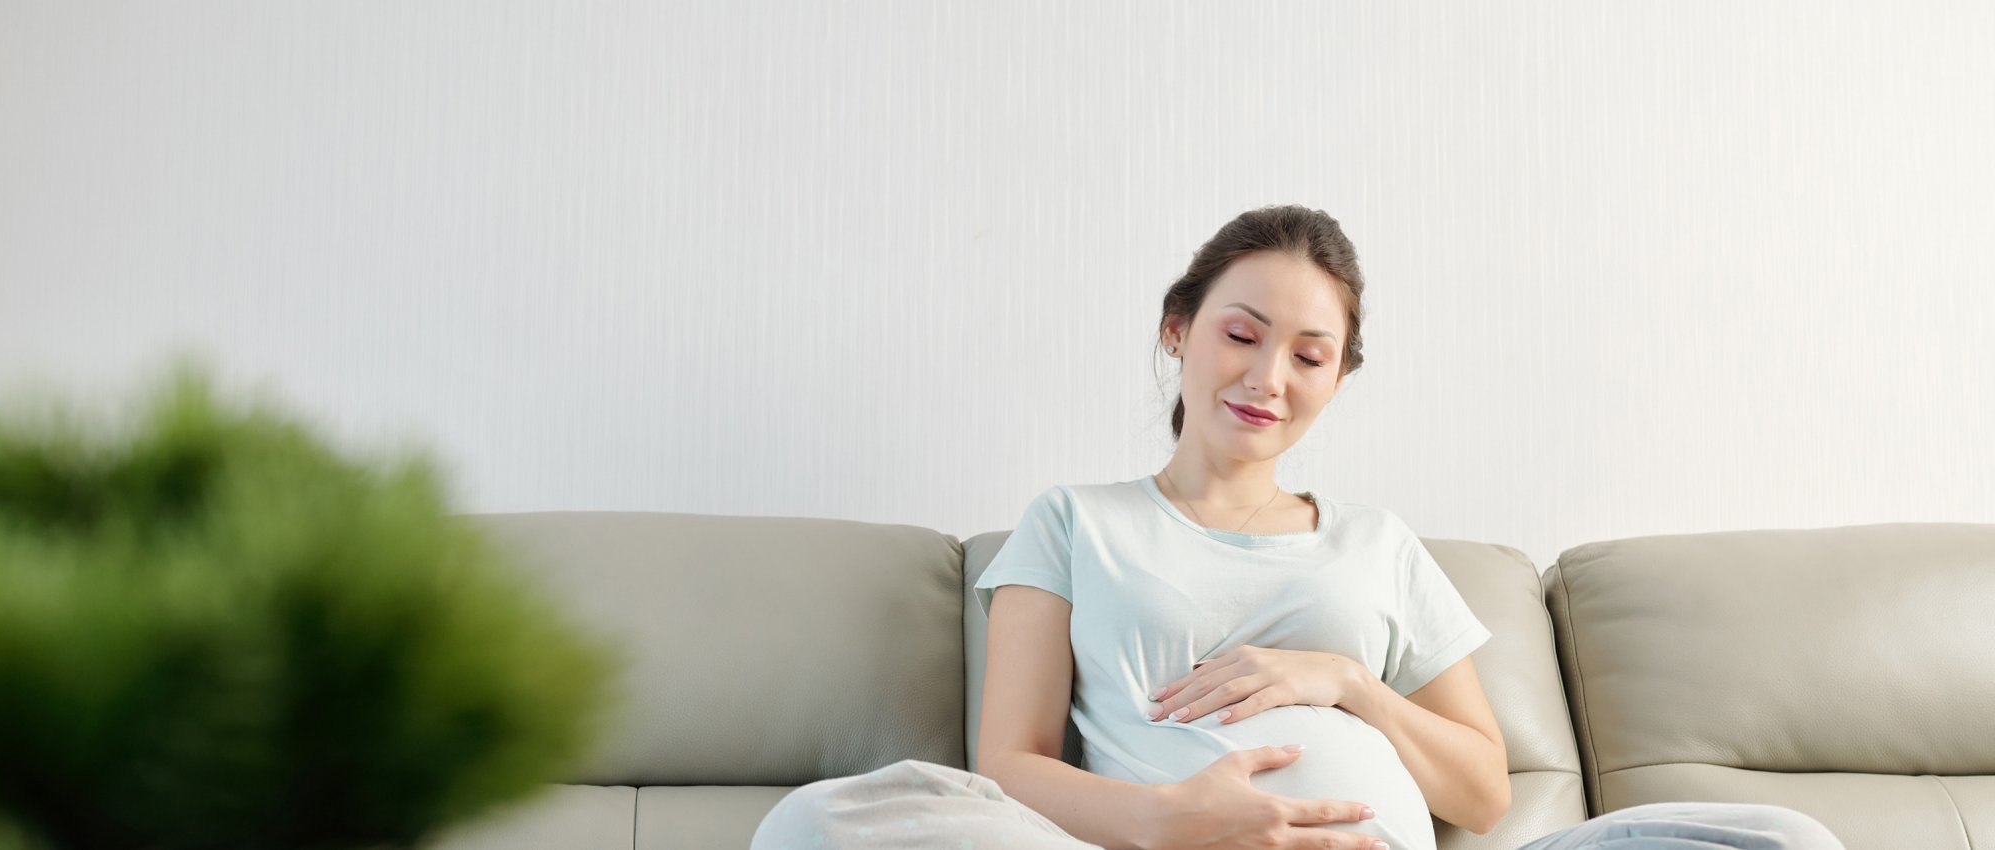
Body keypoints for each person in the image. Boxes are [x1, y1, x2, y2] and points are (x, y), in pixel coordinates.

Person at [750, 205, 1846, 850]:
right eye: (1241, 332)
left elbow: (1478, 788)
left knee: (1782, 840)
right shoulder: (1075, 521)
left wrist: (1349, 682)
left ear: (1335, 379)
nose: (1267, 376)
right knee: (815, 825)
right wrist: (1167, 819)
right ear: (1177, 332)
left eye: (1309, 355)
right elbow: (1011, 761)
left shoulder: (1376, 544)